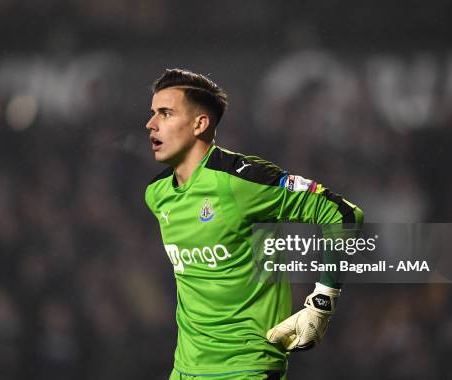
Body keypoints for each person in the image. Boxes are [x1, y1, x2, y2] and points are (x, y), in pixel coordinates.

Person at [144, 69, 363, 380]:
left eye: (165, 113)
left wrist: (321, 305)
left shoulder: (242, 180)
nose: (151, 124)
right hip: (185, 370)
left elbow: (343, 214)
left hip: (248, 369)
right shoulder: (157, 194)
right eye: (153, 113)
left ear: (200, 124)